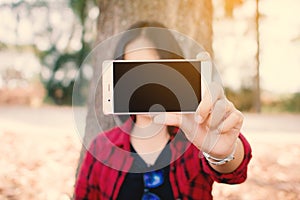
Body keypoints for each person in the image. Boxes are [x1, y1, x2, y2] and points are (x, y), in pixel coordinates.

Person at [74, 21, 252, 200]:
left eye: (156, 70)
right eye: (133, 70)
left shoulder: (195, 139)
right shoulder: (102, 147)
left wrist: (221, 153)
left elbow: (234, 173)